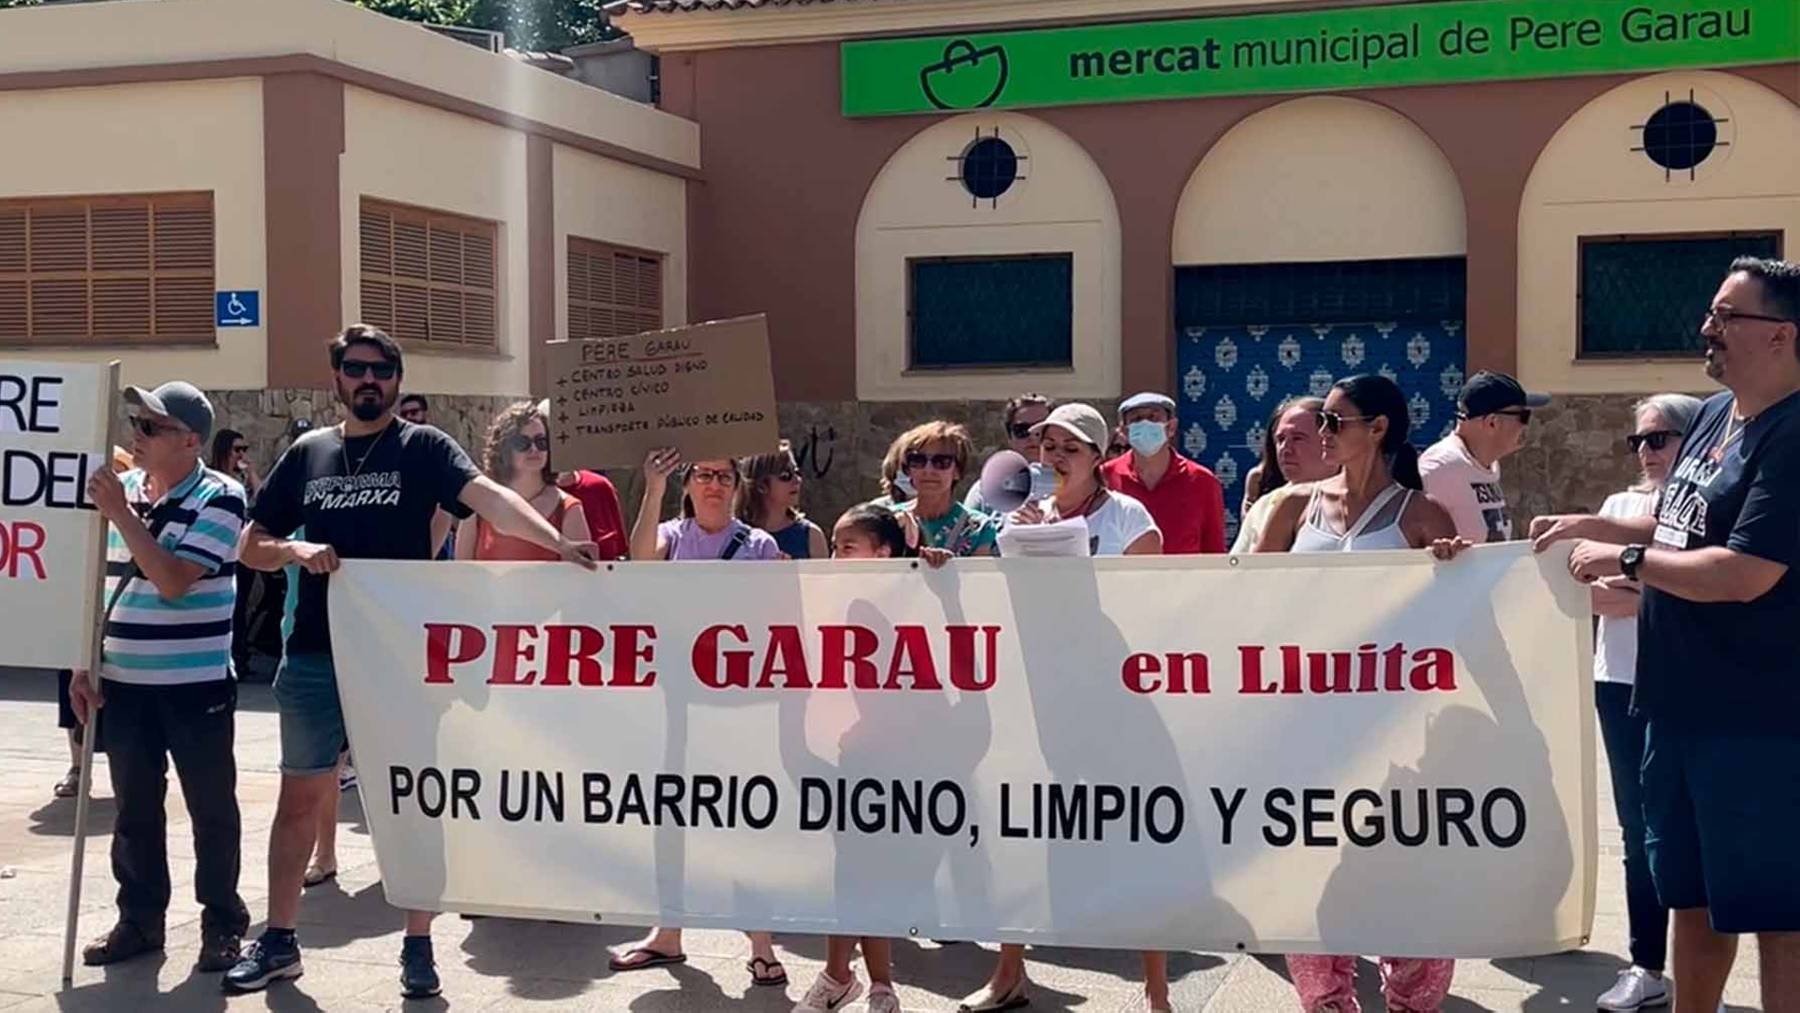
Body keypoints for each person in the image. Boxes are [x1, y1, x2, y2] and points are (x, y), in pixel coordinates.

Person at [225, 325, 598, 999]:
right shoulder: (307, 454)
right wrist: (295, 553)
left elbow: (493, 501)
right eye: (357, 368)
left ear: (397, 379)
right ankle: (280, 938)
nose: (370, 379)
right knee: (300, 800)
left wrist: (557, 543)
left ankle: (419, 942)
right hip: (314, 652)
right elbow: (251, 542)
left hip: (402, 658)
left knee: (414, 800)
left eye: (383, 370)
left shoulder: (423, 447)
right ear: (336, 376)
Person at [1534, 257, 1800, 1013]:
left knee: (1777, 915)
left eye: (1726, 316)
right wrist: (1597, 522)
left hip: (1758, 723)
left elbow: (1745, 569)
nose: (1706, 330)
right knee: (1688, 897)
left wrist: (1622, 558)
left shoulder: (1793, 436)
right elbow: (1683, 527)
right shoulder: (1718, 415)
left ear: (1781, 335)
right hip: (1674, 707)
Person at [1251, 374, 1466, 1013]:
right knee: (1312, 862)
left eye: (1334, 422)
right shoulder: (1292, 508)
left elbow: (1461, 619)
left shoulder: (1422, 516)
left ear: (1378, 429)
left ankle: (1408, 999)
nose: (1322, 434)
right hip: (1307, 718)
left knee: (1402, 860)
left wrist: (1456, 570)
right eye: (1320, 422)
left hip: (1394, 724)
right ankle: (1326, 1001)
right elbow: (1244, 602)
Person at [971, 402, 1164, 1012]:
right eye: (1046, 445)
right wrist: (1015, 544)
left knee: (1135, 834)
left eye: (1068, 448)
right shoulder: (1023, 515)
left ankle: (1157, 994)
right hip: (1039, 693)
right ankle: (1009, 973)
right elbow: (998, 603)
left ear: (1098, 458)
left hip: (1113, 698)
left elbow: (1152, 606)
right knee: (1023, 831)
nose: (1052, 458)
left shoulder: (1131, 518)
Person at [67, 381, 251, 973]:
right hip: (123, 680)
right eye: (136, 425)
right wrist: (82, 661)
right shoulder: (118, 491)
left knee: (211, 810)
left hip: (194, 683)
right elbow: (94, 581)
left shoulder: (221, 497)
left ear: (190, 441)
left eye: (151, 428)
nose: (136, 437)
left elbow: (172, 580)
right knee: (134, 811)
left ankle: (222, 923)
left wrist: (121, 513)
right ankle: (140, 921)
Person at [614, 446, 785, 985]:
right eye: (704, 475)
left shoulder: (760, 545)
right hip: (677, 698)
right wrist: (654, 486)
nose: (713, 484)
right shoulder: (671, 535)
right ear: (688, 484)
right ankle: (668, 933)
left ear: (736, 486)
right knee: (672, 816)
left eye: (724, 476)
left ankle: (761, 943)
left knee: (744, 817)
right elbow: (640, 558)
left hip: (739, 703)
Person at [1587, 393, 1704, 1011]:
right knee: (1639, 829)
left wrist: (1643, 594)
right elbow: (1595, 592)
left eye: (1660, 438)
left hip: (1687, 684)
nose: (1647, 452)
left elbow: (1710, 586)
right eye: (1639, 441)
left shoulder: (1710, 507)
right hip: (1619, 679)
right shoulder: (1618, 507)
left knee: (1688, 826)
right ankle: (1646, 962)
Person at [1418, 371, 1549, 543]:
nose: (1526, 426)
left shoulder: (1488, 464)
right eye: (1523, 417)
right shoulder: (1441, 468)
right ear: (1492, 422)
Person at [455, 401, 590, 561]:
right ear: (504, 448)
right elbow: (462, 574)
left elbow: (579, 581)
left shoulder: (568, 509)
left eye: (541, 442)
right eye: (522, 443)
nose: (534, 449)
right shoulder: (479, 508)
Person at [1102, 392, 1227, 554]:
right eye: (1137, 419)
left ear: (1171, 427)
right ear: (1124, 431)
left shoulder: (1203, 481)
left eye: (1153, 417)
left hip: (1185, 578)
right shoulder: (1104, 477)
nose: (1145, 423)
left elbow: (1214, 550)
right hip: (1122, 577)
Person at [1232, 396, 1331, 553]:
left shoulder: (1356, 502)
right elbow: (1240, 571)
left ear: (1328, 440)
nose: (1285, 449)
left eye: (1298, 438)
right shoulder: (1263, 507)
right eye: (1280, 439)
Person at [891, 421, 999, 557]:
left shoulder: (979, 528)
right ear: (908, 469)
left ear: (957, 471)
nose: (928, 470)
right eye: (918, 460)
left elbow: (978, 576)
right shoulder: (888, 520)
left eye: (941, 462)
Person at [739, 440, 828, 560]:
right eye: (786, 476)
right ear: (761, 486)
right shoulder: (734, 534)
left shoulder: (811, 536)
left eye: (797, 472)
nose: (797, 480)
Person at [965, 394, 1051, 514]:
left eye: (1042, 430)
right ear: (1010, 437)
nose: (1033, 437)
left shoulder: (1074, 487)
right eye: (1022, 430)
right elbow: (966, 531)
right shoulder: (985, 490)